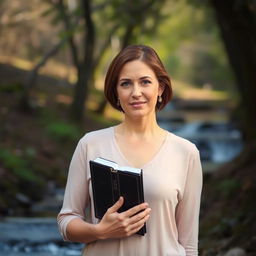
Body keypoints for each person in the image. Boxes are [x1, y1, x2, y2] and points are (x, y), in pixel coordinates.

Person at [57, 45, 203, 256]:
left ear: (160, 88)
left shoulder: (186, 153)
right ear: (116, 91)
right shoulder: (90, 144)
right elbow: (66, 221)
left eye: (145, 82)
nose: (136, 93)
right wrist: (99, 231)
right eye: (126, 84)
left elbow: (189, 245)